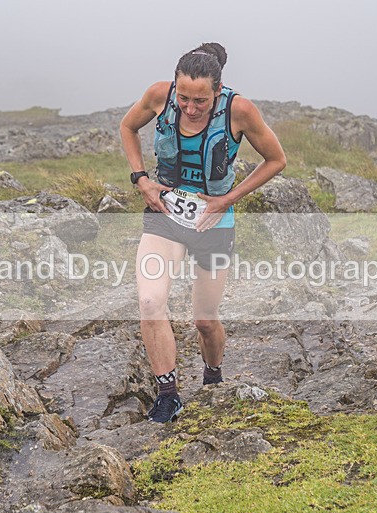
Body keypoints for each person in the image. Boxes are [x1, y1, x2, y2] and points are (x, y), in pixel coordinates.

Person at [120, 42, 286, 423]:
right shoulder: (158, 96)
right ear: (174, 86)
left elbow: (276, 159)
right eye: (183, 98)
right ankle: (168, 395)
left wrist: (227, 199)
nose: (190, 109)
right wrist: (141, 179)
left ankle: (213, 376)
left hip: (214, 222)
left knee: (205, 321)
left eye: (200, 101)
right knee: (149, 302)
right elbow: (128, 127)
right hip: (165, 215)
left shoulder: (240, 111)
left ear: (218, 90)